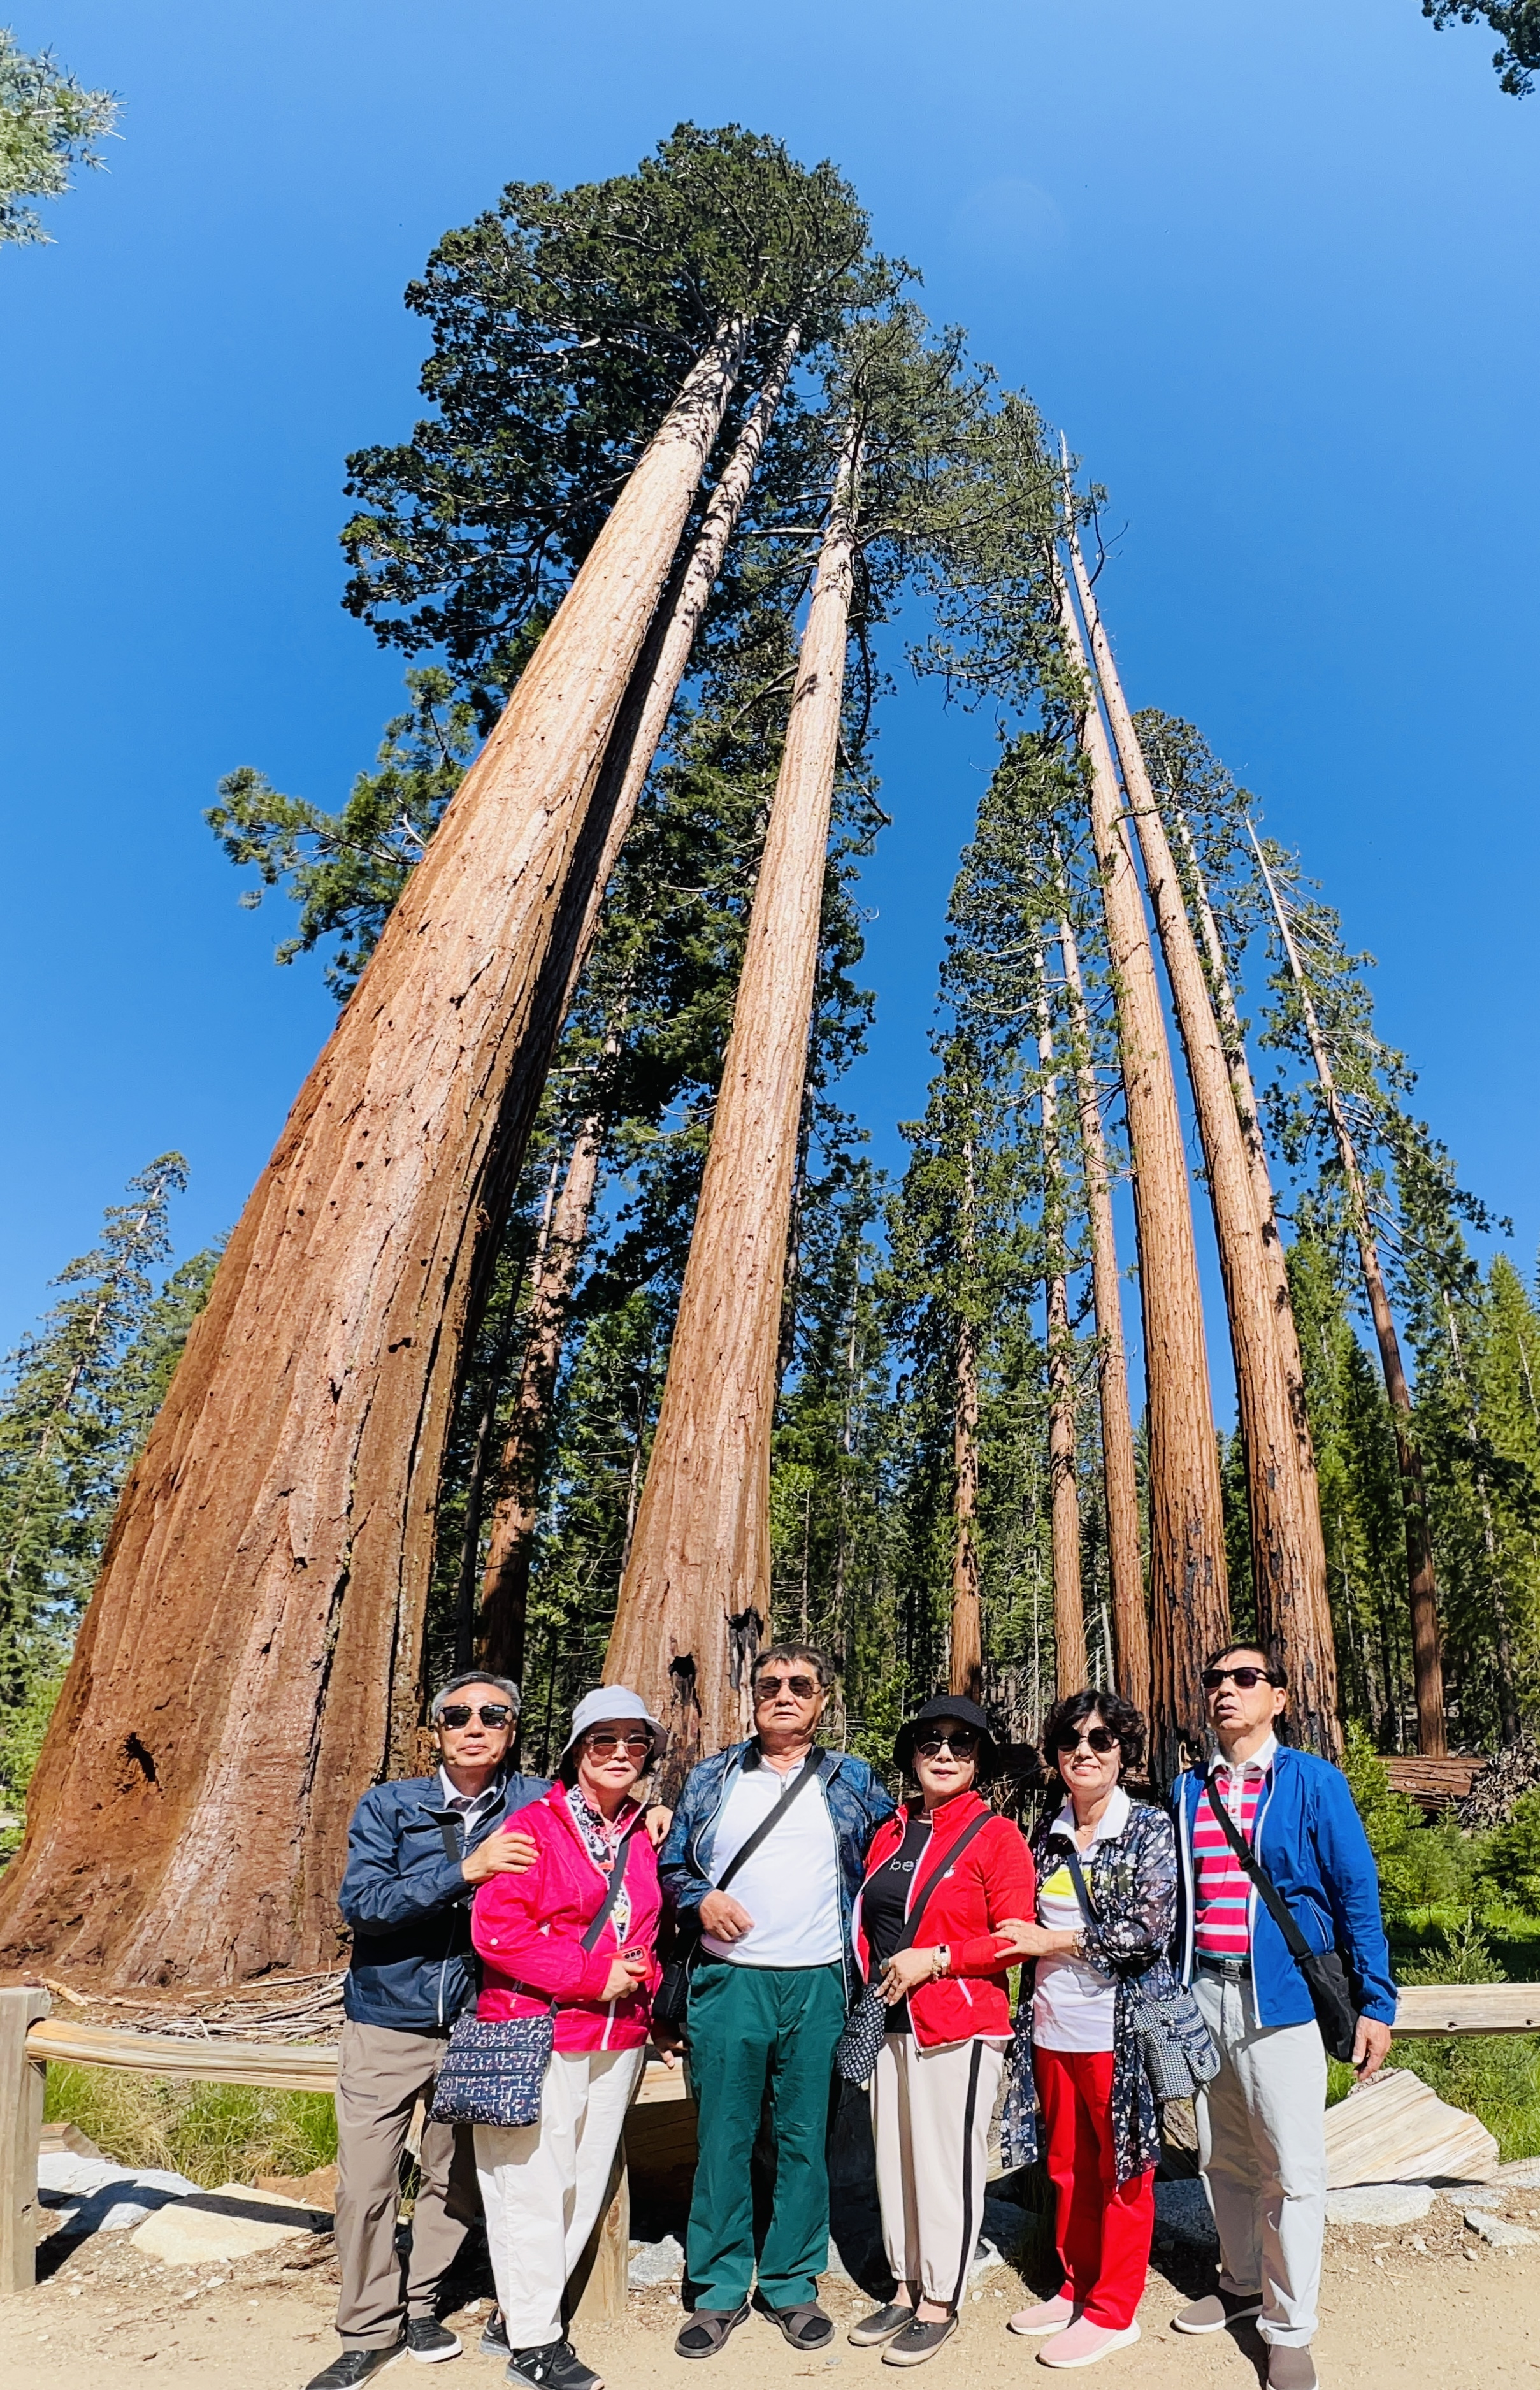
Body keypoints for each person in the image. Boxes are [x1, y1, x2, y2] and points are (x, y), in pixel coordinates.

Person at [307, 1673, 550, 2390]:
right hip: (387, 2018)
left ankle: (420, 2305)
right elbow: (366, 1904)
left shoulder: (538, 1805)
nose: (474, 1725)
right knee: (366, 2181)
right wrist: (464, 1870)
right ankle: (365, 2328)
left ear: (510, 1728)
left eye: (492, 1714)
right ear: (435, 1730)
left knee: (454, 2176)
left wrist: (653, 1814)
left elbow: (604, 1832)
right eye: (457, 1715)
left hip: (482, 2022)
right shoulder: (390, 1805)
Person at [659, 1643, 896, 2359]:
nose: (783, 1696)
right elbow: (673, 1865)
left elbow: (891, 1856)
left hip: (821, 1981)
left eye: (799, 1685)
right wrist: (701, 1900)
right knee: (722, 2135)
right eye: (769, 1685)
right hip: (731, 1981)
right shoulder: (712, 1778)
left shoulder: (853, 1781)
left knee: (803, 2137)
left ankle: (792, 2280)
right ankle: (719, 2285)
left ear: (823, 1699)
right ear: (751, 1696)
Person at [1169, 1643, 1396, 2390]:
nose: (1225, 1691)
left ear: (1277, 1697)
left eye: (1244, 1679)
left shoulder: (1311, 1783)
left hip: (1283, 2002)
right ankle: (1238, 2282)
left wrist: (1375, 2001)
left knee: (1292, 2170)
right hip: (1205, 1995)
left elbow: (1354, 1892)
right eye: (1214, 1681)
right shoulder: (1187, 1790)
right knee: (1222, 2152)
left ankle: (1289, 2326)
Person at [470, 1687, 666, 2390]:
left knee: (580, 2185)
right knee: (530, 2182)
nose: (619, 1753)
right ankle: (534, 2343)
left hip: (618, 2036)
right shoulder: (533, 1826)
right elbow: (496, 1933)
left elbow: (642, 1929)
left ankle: (522, 2312)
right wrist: (591, 1975)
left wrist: (644, 1979)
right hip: (539, 2031)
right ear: (575, 1750)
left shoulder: (640, 1833)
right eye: (602, 1740)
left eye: (634, 1742)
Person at [846, 1695, 1035, 2367]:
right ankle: (902, 2285)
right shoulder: (889, 1834)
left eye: (961, 1742)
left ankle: (939, 2298)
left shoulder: (996, 1837)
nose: (945, 1753)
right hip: (890, 2021)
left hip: (958, 2021)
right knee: (893, 2161)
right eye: (931, 1741)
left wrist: (941, 1958)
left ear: (980, 1758)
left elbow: (1016, 1939)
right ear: (912, 1753)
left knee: (943, 2165)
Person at [996, 1688, 1178, 2370]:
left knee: (1123, 2169)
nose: (1085, 1750)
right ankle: (1074, 2285)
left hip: (1117, 2030)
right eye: (1072, 1739)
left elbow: (1145, 1932)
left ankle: (1112, 2309)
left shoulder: (1147, 1827)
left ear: (1122, 1753)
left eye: (1102, 1739)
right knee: (1068, 2166)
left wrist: (1052, 1940)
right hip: (1050, 2026)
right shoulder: (1046, 1831)